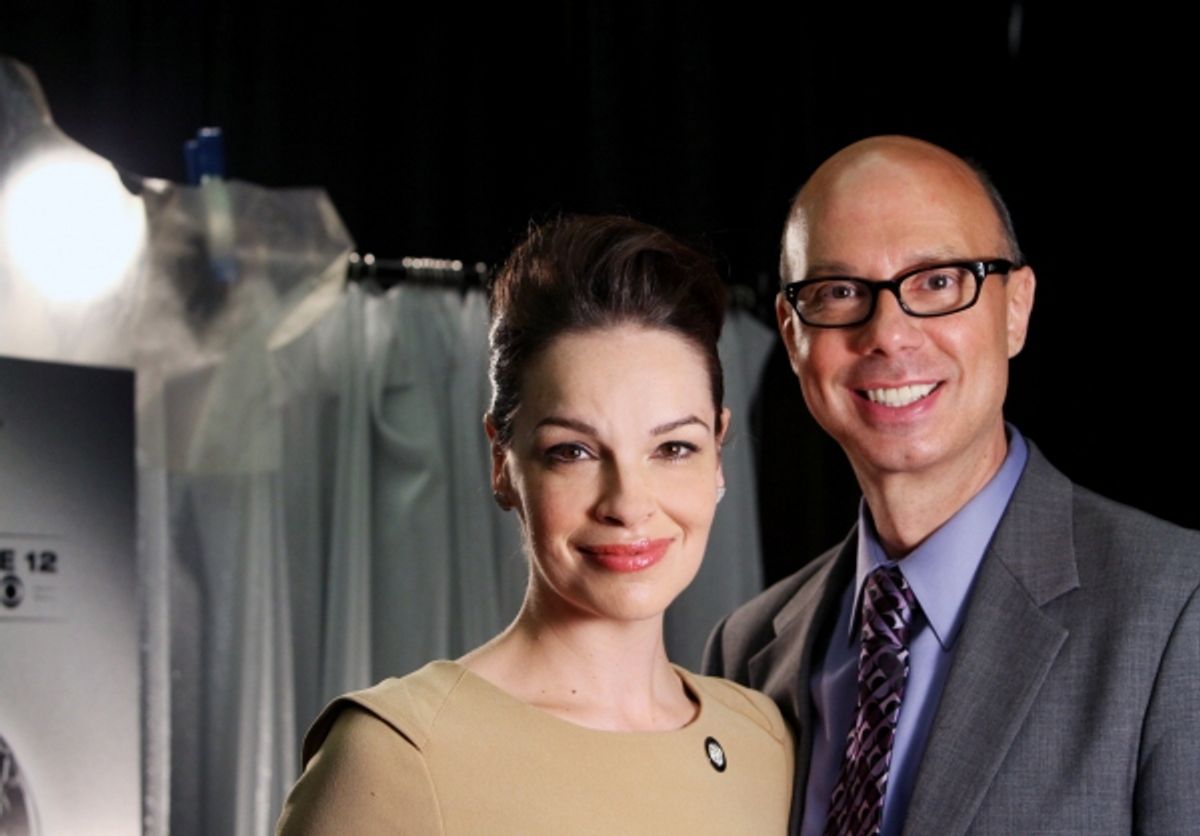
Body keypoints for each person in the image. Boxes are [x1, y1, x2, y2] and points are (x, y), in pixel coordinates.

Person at [704, 136, 1200, 835]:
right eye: (840, 292)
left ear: (1016, 310)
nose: (890, 335)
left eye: (937, 281)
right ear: (791, 336)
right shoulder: (748, 651)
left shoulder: (1177, 610)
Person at [277, 215, 793, 835]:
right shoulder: (397, 754)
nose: (628, 503)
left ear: (718, 450)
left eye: (673, 448)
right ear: (503, 461)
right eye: (573, 451)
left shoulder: (765, 741)